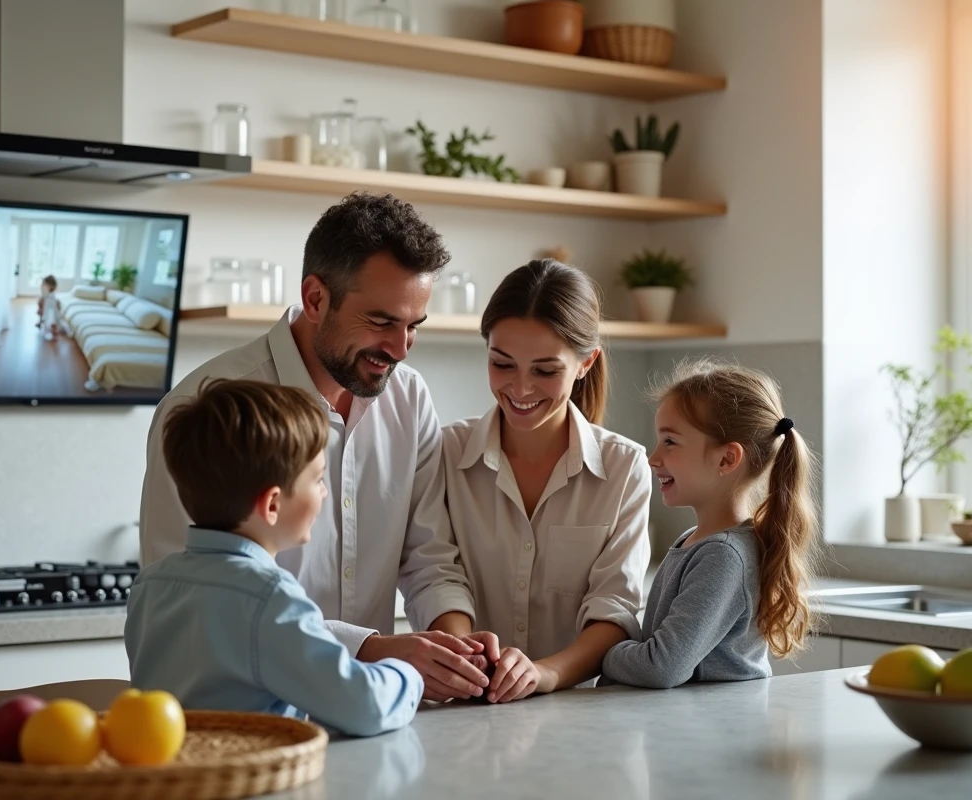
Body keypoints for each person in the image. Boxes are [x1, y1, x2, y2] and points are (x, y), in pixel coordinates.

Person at [140, 192, 491, 702]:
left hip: (363, 725)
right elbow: (193, 597)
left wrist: (457, 652)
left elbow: (428, 558)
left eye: (413, 326)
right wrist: (371, 650)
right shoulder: (205, 406)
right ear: (315, 298)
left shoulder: (409, 398)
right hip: (241, 728)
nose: (399, 350)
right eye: (381, 321)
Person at [126, 380, 423, 737]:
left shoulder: (151, 584)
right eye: (317, 480)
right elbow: (364, 706)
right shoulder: (268, 595)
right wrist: (408, 672)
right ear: (271, 505)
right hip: (251, 783)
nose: (325, 493)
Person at [442, 259, 652, 704]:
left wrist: (544, 674)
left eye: (544, 370)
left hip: (580, 716)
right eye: (502, 364)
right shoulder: (445, 453)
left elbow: (614, 609)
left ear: (584, 363)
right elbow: (438, 574)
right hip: (465, 709)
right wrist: (466, 657)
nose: (520, 389)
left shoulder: (624, 467)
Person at [601, 359, 816, 689]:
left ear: (727, 459)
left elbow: (660, 667)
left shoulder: (723, 556)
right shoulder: (696, 541)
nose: (653, 457)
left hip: (714, 737)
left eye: (670, 442)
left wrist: (601, 652)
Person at [37, 275, 60, 341]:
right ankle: (40, 322)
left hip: (50, 310)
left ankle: (54, 329)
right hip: (45, 309)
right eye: (42, 284)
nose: (42, 286)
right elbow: (41, 301)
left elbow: (54, 304)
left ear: (51, 286)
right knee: (44, 317)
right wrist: (40, 307)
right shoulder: (45, 293)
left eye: (44, 284)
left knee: (52, 321)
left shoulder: (51, 295)